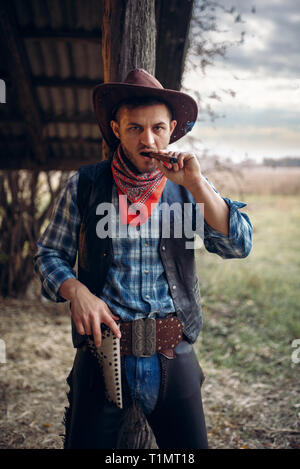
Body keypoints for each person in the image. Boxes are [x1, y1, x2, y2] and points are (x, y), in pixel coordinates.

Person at [34, 68, 252, 449]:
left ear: (172, 130)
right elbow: (49, 254)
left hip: (173, 352)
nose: (147, 139)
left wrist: (197, 185)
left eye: (158, 128)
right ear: (117, 129)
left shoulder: (188, 185)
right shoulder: (85, 184)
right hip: (101, 355)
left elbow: (238, 244)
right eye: (135, 128)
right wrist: (76, 291)